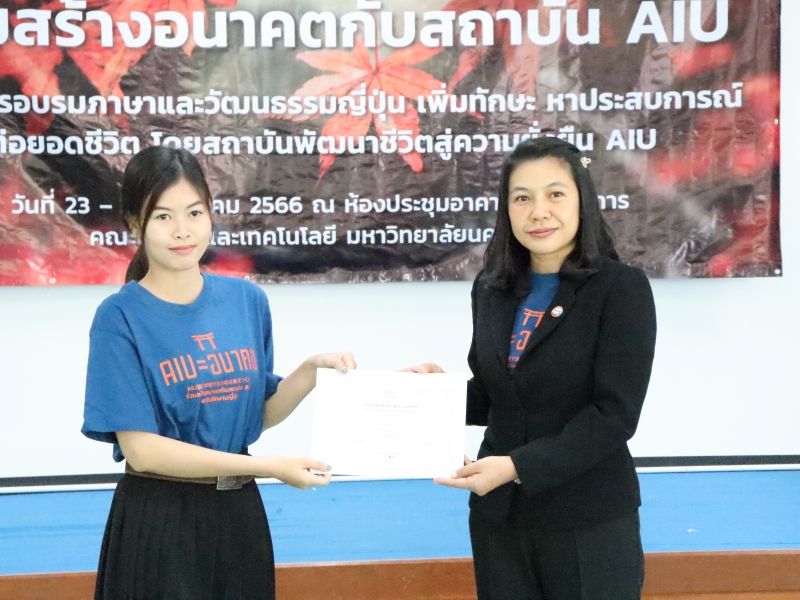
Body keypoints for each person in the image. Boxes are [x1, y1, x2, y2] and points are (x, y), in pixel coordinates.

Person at [81, 146, 355, 600]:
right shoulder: (119, 317)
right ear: (134, 224)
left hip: (239, 517)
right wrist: (266, 466)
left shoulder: (246, 301)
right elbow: (143, 451)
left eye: (194, 212)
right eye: (163, 216)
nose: (182, 230)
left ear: (211, 214)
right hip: (160, 522)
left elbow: (253, 416)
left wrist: (311, 371)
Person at [407, 137, 657, 600]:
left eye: (555, 194)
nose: (539, 212)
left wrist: (516, 467)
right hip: (499, 517)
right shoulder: (491, 288)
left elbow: (614, 415)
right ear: (507, 210)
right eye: (522, 198)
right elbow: (496, 395)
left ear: (582, 200)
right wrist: (436, 395)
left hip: (587, 517)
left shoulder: (620, 288)